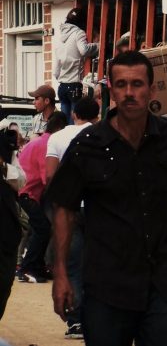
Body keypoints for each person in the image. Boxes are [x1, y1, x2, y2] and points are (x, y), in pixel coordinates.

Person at [47, 51, 167, 345]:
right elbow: (64, 210)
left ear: (152, 90)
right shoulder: (87, 146)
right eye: (121, 84)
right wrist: (62, 274)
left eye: (137, 84)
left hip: (163, 286)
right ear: (112, 90)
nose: (129, 92)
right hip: (106, 288)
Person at [43, 96, 99, 339]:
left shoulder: (56, 138)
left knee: (73, 265)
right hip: (98, 208)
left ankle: (75, 321)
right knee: (99, 264)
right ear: (97, 116)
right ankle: (98, 319)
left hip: (70, 209)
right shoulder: (103, 135)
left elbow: (50, 177)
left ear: (74, 114)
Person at [17, 111, 67, 284]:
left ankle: (36, 266)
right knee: (43, 229)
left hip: (26, 192)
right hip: (26, 193)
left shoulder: (39, 141)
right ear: (60, 128)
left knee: (40, 229)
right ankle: (26, 268)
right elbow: (46, 176)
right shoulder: (47, 144)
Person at [54, 7, 98, 124]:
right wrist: (98, 46)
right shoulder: (79, 33)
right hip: (74, 86)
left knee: (63, 123)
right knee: (75, 122)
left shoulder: (60, 39)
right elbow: (83, 50)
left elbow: (55, 72)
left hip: (62, 87)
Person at [0, 128, 23, 321]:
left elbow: (22, 181)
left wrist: (3, 166)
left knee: (3, 283)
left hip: (5, 231)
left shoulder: (5, 147)